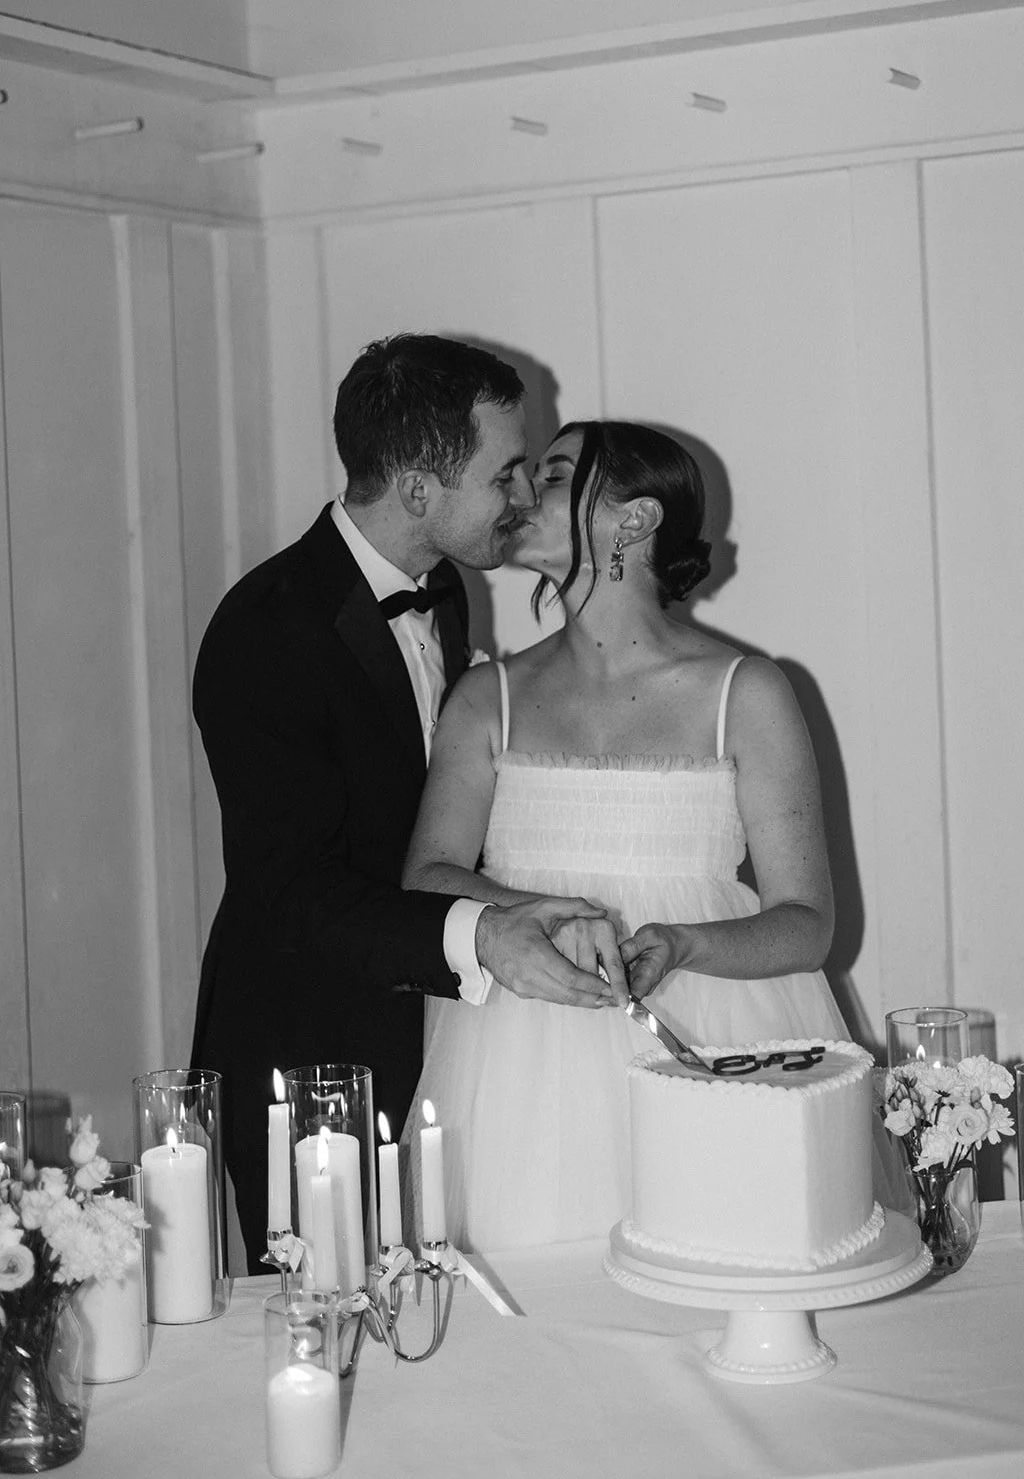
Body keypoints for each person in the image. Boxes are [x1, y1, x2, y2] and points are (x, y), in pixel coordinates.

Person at [190, 338, 625, 1272]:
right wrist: (482, 934)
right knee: (339, 1340)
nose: (523, 495)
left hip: (436, 1034)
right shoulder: (265, 631)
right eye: (505, 471)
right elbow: (296, 894)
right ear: (420, 491)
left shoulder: (450, 588)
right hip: (313, 1057)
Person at [401, 418, 849, 1250]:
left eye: (559, 475)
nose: (525, 492)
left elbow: (807, 924)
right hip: (518, 1057)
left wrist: (679, 943)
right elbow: (427, 877)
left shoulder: (744, 692)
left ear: (635, 520)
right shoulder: (484, 697)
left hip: (710, 1038)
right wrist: (541, 912)